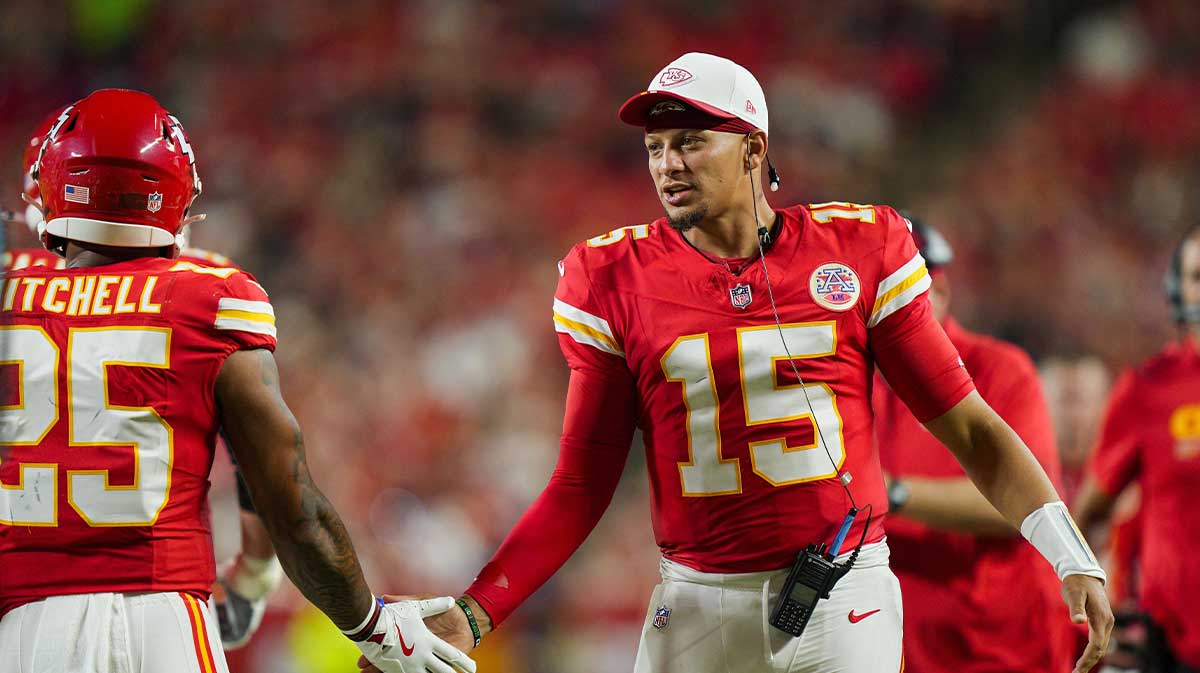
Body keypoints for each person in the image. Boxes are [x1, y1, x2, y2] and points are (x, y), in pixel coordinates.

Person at [374, 53, 1112, 673]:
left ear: (754, 148)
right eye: (657, 148)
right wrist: (478, 610)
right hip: (695, 598)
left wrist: (1069, 552)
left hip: (844, 593)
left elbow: (973, 429)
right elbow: (581, 483)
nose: (669, 163)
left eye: (693, 141)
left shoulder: (859, 247)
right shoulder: (609, 276)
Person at [0, 89, 475, 673]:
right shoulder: (211, 293)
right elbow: (287, 500)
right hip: (166, 619)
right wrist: (370, 625)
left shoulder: (9, 290)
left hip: (24, 626)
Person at [4, 105, 284, 652]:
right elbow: (258, 456)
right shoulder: (200, 286)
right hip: (157, 600)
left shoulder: (12, 287)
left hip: (26, 606)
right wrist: (253, 574)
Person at [873, 216, 1072, 672]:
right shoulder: (859, 382)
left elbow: (1026, 502)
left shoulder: (1000, 371)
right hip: (901, 648)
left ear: (938, 295)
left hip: (1000, 648)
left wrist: (893, 492)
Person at [1073, 224, 1200, 672]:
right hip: (1171, 651)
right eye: (1199, 276)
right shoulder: (1148, 390)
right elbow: (1085, 517)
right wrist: (1092, 615)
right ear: (1177, 291)